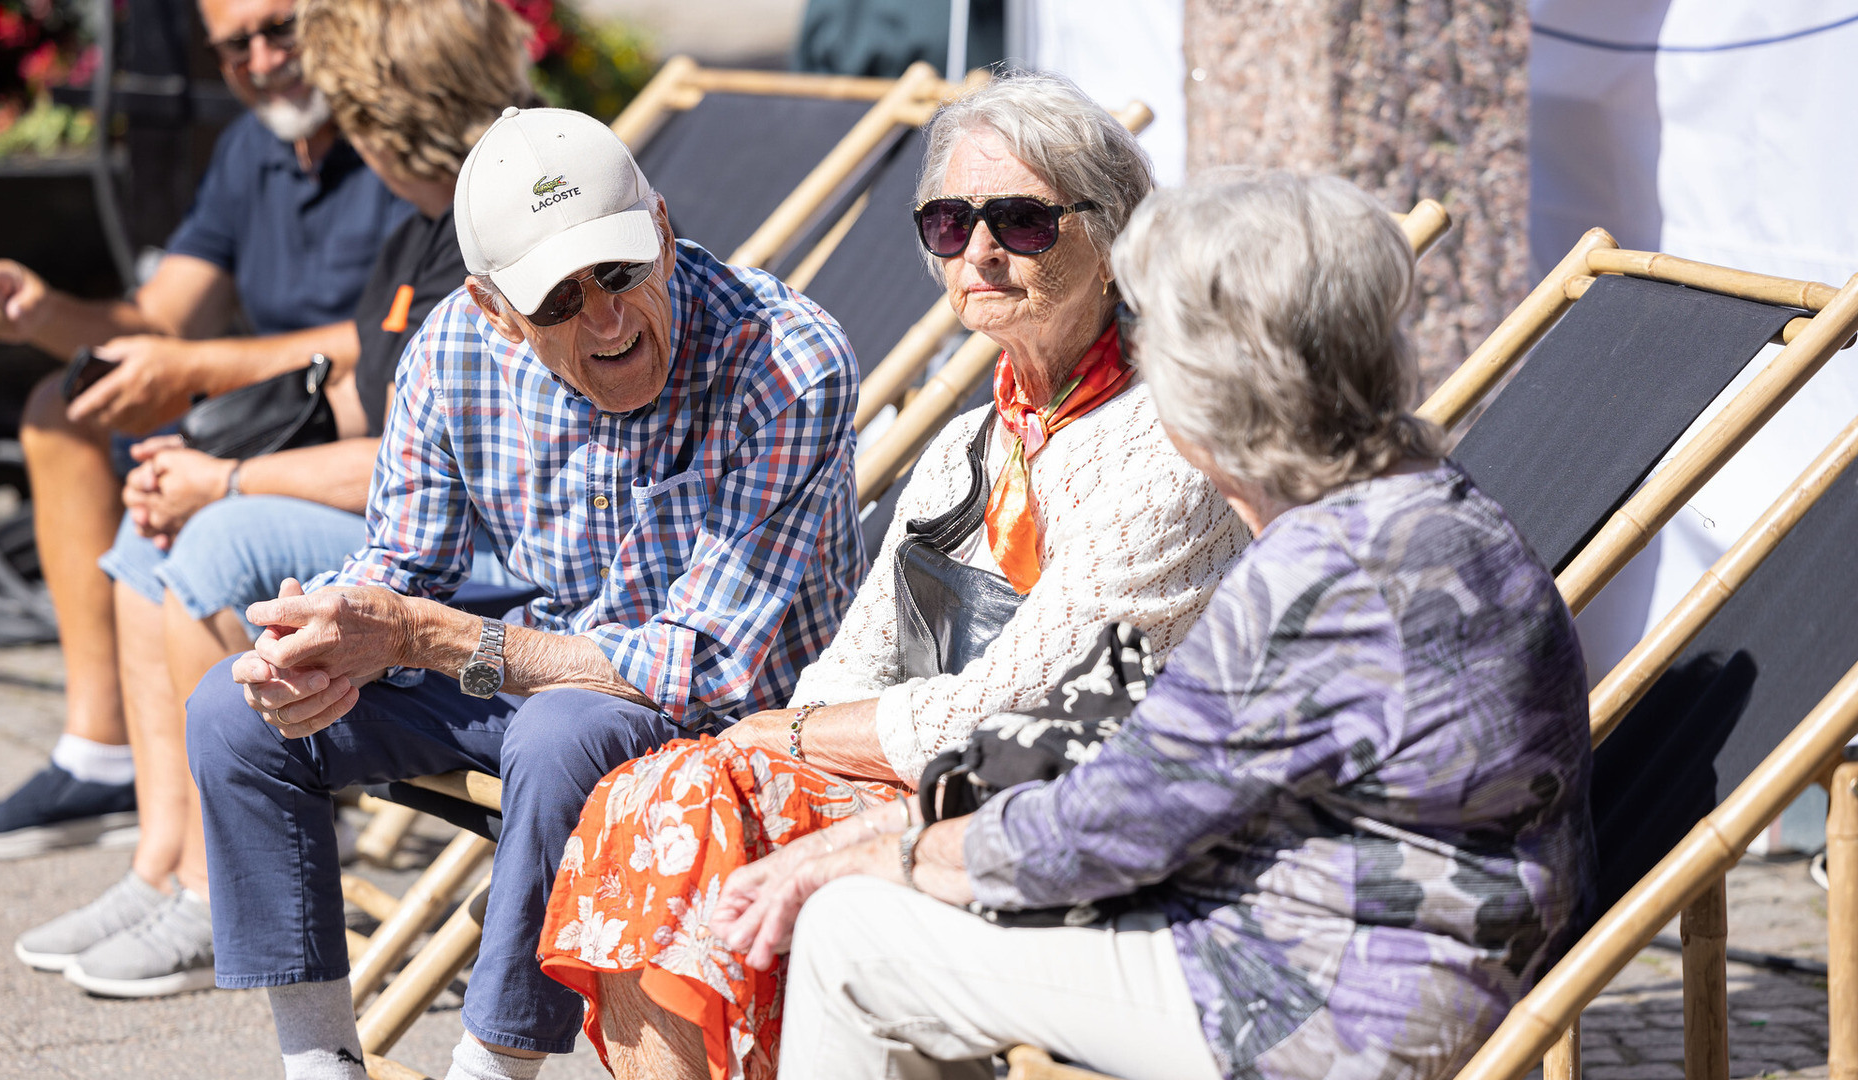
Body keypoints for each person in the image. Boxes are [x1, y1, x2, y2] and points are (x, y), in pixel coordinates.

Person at [708, 173, 1597, 1080]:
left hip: (1318, 998)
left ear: (1216, 388)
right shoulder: (1425, 502)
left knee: (855, 938)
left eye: (1153, 345)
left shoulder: (1315, 581)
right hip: (1405, 954)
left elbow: (1105, 831)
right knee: (917, 918)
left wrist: (893, 850)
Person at [537, 73, 1252, 1080]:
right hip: (939, 783)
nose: (982, 251)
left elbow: (1016, 706)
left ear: (1115, 235)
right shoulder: (970, 442)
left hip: (1071, 808)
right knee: (657, 789)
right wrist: (780, 744)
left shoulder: (1167, 446)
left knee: (684, 804)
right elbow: (853, 662)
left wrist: (776, 738)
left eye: (1023, 222)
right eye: (951, 222)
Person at [184, 104, 864, 1080]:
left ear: (664, 232)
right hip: (556, 664)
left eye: (622, 271)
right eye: (556, 301)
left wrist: (426, 636)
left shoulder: (785, 361)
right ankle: (321, 1063)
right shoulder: (455, 352)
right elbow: (404, 569)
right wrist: (323, 635)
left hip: (748, 718)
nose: (609, 317)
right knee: (236, 714)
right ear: (495, 307)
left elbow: (703, 664)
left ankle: (492, 1069)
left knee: (561, 734)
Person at [0, 0, 537, 999]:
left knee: (218, 533)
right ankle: (163, 862)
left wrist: (232, 478)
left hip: (488, 551)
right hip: (421, 518)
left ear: (386, 117)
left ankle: (215, 896)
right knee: (151, 532)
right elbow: (363, 389)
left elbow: (434, 466)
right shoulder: (422, 228)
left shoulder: (487, 239)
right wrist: (198, 453)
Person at [0, 0, 410, 860]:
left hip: (351, 424)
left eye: (282, 30)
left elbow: (389, 350)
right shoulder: (251, 148)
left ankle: (228, 832)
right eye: (235, 46)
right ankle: (101, 751)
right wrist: (41, 312)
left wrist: (199, 374)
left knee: (177, 489)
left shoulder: (398, 144)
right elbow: (158, 318)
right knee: (61, 405)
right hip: (272, 414)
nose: (263, 60)